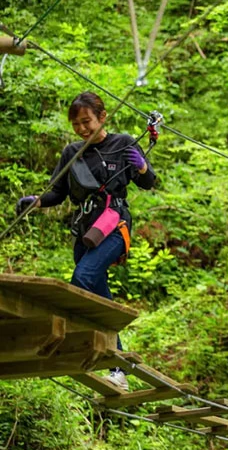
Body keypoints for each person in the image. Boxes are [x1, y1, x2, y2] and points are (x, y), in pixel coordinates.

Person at [15, 92, 156, 392]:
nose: (81, 129)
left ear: (102, 118)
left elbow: (147, 182)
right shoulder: (72, 152)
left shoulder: (122, 143)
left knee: (83, 277)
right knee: (98, 295)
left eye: (86, 121)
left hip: (114, 224)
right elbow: (57, 193)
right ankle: (117, 364)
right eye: (76, 123)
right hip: (86, 230)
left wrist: (142, 166)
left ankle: (76, 342)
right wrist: (35, 202)